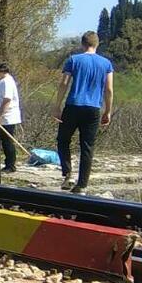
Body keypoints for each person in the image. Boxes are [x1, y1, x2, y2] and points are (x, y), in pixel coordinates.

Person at [51, 31, 113, 194]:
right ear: (97, 44)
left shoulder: (73, 60)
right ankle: (82, 184)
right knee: (87, 146)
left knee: (63, 139)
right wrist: (108, 110)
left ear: (82, 44)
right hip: (93, 108)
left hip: (73, 105)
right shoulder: (106, 64)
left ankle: (68, 173)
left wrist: (57, 105)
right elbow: (109, 89)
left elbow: (64, 83)